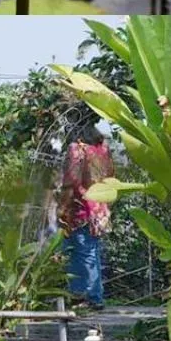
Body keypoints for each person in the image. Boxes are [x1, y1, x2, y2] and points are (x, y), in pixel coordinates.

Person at [59, 120, 112, 308]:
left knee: (78, 252)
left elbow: (71, 181)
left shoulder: (77, 149)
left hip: (80, 208)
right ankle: (93, 295)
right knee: (90, 252)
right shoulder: (102, 149)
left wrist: (62, 208)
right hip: (99, 206)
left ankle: (86, 297)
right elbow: (110, 176)